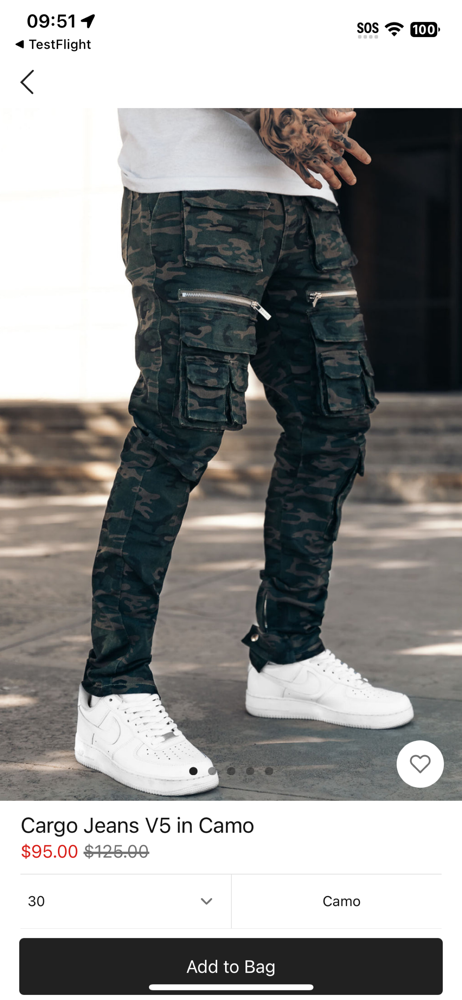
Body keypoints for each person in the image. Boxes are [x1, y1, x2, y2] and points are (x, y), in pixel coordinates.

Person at [75, 108, 414, 797]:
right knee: (180, 430)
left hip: (308, 198)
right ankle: (112, 690)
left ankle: (289, 654)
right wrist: (269, 101)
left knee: (334, 418)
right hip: (194, 191)